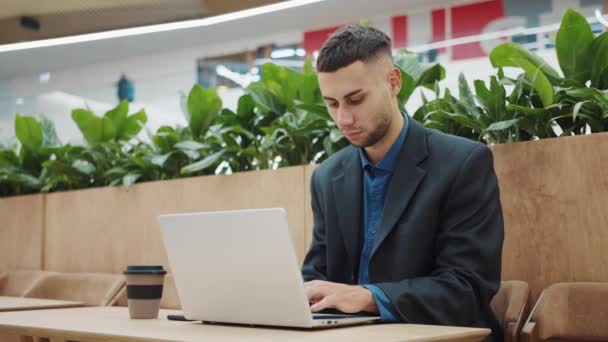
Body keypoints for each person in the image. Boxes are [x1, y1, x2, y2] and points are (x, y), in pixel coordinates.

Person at [301, 25, 504, 342]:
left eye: (356, 99)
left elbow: (467, 288)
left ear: (393, 82)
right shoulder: (328, 176)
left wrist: (369, 297)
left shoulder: (463, 163)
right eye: (332, 103)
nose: (343, 119)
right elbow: (317, 274)